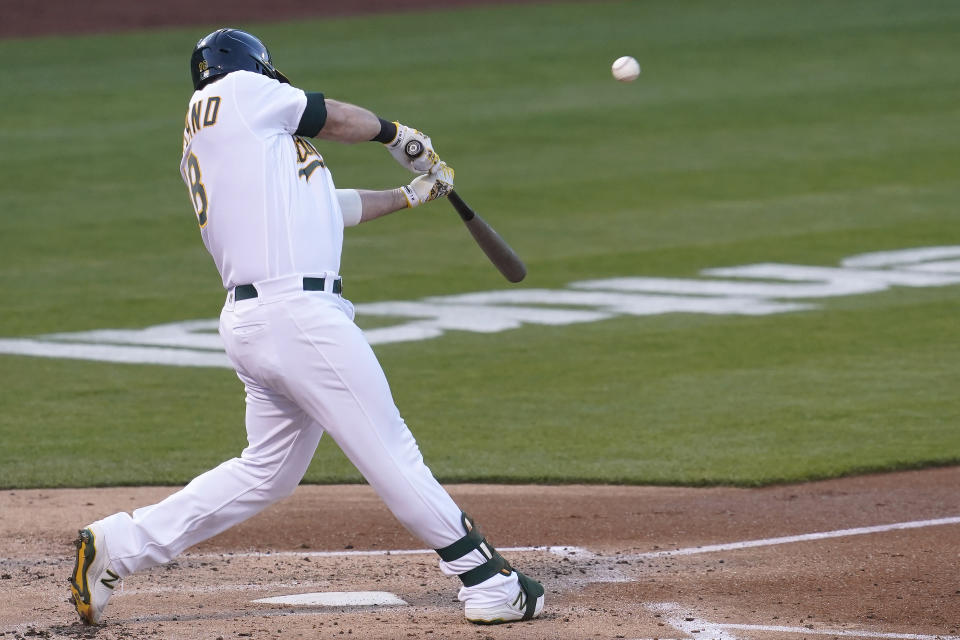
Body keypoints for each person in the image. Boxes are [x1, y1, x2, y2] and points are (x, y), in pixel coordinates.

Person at [68, 28, 544, 627]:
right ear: (256, 68)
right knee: (390, 450)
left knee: (265, 471)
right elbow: (333, 116)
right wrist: (399, 134)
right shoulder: (239, 93)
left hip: (260, 323)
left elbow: (325, 207)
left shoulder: (234, 140)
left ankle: (121, 545)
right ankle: (485, 580)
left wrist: (412, 193)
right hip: (298, 319)